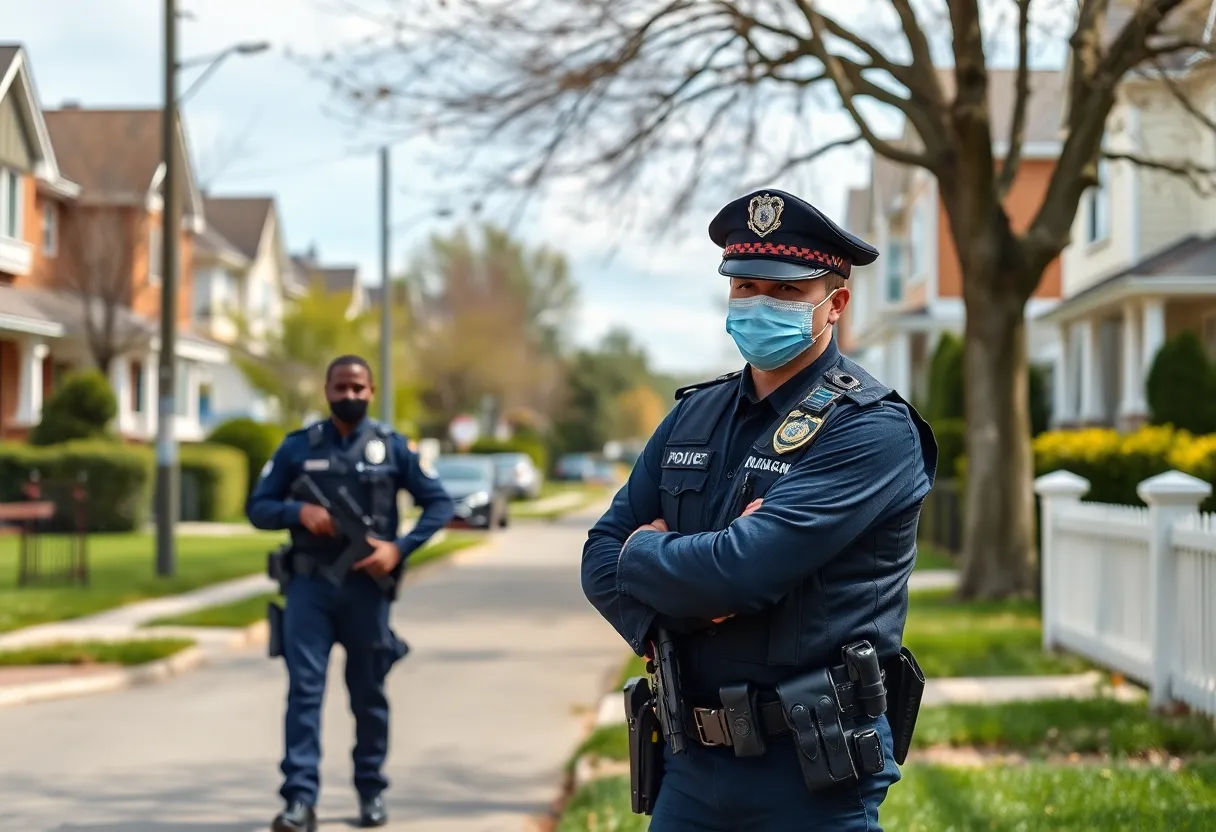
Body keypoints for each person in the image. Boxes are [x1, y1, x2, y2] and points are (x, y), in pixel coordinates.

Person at [582, 189, 938, 830]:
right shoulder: (694, 415)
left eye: (785, 292)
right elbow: (599, 555)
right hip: (690, 766)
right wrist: (675, 597)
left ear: (836, 304)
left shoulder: (871, 431)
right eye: (744, 286)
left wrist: (651, 555)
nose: (757, 304)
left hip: (812, 771)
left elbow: (741, 571)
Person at [247, 354, 455, 831]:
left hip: (367, 589)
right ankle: (299, 801)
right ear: (326, 390)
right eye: (341, 387)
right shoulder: (298, 447)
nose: (350, 396)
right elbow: (257, 507)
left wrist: (399, 550)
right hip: (309, 587)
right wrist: (297, 514)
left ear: (372, 390)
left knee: (369, 694)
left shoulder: (392, 447)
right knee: (304, 692)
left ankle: (370, 791)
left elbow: (439, 504)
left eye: (359, 388)